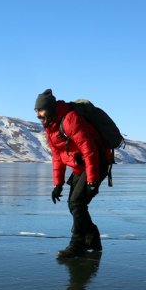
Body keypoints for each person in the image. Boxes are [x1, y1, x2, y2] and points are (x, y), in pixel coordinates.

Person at [34, 89, 112, 258]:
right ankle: (93, 238)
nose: (38, 115)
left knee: (77, 203)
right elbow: (58, 156)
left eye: (41, 110)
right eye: (36, 111)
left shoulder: (70, 119)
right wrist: (58, 184)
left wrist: (92, 180)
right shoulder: (50, 125)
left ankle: (77, 245)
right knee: (74, 204)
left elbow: (89, 149)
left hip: (96, 163)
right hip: (81, 167)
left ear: (50, 108)